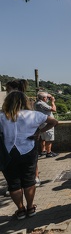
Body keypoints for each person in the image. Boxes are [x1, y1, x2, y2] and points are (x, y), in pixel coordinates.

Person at [0, 91, 58, 219]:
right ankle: (30, 208)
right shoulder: (34, 115)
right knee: (29, 180)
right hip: (28, 150)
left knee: (13, 183)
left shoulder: (2, 116)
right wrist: (39, 132)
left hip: (7, 152)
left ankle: (20, 210)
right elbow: (54, 122)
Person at [34, 92, 58, 158]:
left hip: (41, 123)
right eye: (47, 98)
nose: (48, 99)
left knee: (43, 138)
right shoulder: (41, 104)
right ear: (43, 98)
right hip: (47, 123)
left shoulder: (37, 103)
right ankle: (49, 152)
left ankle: (43, 151)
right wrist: (52, 102)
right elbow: (54, 109)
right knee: (49, 138)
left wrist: (48, 96)